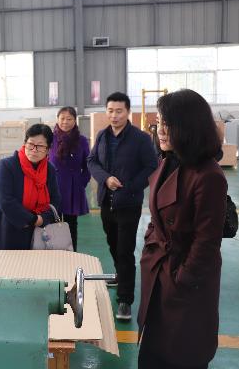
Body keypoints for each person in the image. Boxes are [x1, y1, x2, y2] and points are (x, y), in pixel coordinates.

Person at [137, 89, 227, 369]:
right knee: (153, 353)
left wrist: (182, 278)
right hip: (159, 273)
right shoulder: (168, 161)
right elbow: (157, 217)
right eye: (159, 123)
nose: (161, 131)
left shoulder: (209, 175)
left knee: (182, 355)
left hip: (186, 286)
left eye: (168, 124)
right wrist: (150, 243)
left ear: (189, 127)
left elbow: (207, 241)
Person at [87, 91, 157, 321]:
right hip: (106, 202)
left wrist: (131, 187)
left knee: (125, 251)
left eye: (119, 111)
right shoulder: (102, 135)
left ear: (128, 112)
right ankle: (120, 275)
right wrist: (105, 178)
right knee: (113, 243)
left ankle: (125, 299)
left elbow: (151, 166)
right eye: (110, 111)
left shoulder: (140, 139)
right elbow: (92, 161)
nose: (114, 115)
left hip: (128, 203)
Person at [0, 123, 61, 250]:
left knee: (36, 263)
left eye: (40, 146)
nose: (34, 150)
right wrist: (33, 220)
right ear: (25, 143)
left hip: (41, 232)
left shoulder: (50, 169)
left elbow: (55, 200)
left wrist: (43, 218)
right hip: (10, 231)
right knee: (6, 263)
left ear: (48, 149)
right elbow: (6, 201)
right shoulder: (7, 166)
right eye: (31, 144)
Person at [48, 107, 90, 252]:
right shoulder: (49, 138)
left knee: (71, 224)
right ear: (57, 119)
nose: (65, 122)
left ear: (74, 120)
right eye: (62, 118)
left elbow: (88, 165)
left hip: (73, 188)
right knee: (52, 223)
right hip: (53, 187)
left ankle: (72, 254)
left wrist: (81, 183)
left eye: (69, 119)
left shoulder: (81, 141)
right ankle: (54, 254)